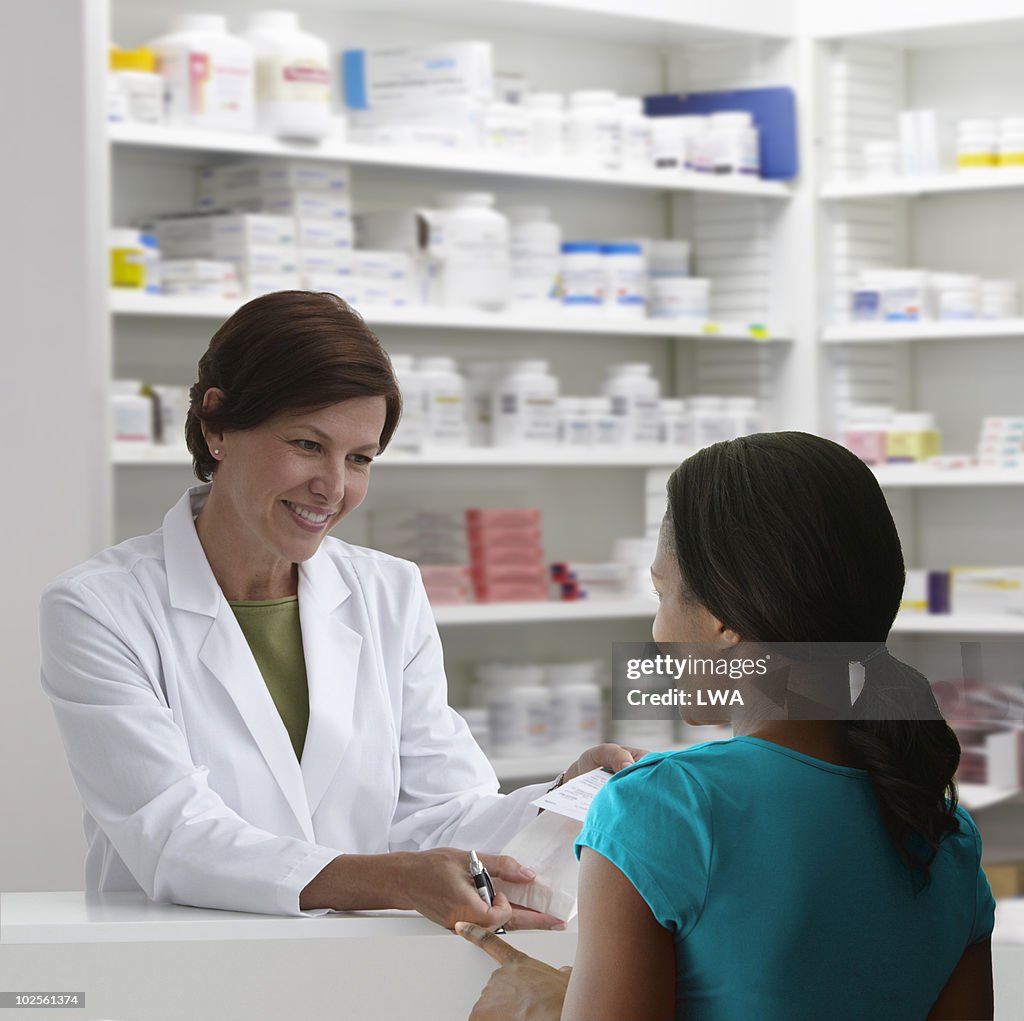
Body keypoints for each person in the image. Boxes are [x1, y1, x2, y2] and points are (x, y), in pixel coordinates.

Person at [40, 291, 641, 927]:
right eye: (306, 444)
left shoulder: (389, 592)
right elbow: (170, 835)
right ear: (216, 425)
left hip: (354, 974)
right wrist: (393, 881)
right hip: (186, 972)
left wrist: (561, 801)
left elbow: (442, 812)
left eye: (359, 459)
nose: (333, 487)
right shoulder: (99, 608)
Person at [458, 432, 995, 1020]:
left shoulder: (663, 805)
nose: (658, 630)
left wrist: (552, 1007)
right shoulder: (940, 826)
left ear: (723, 619)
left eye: (662, 592)